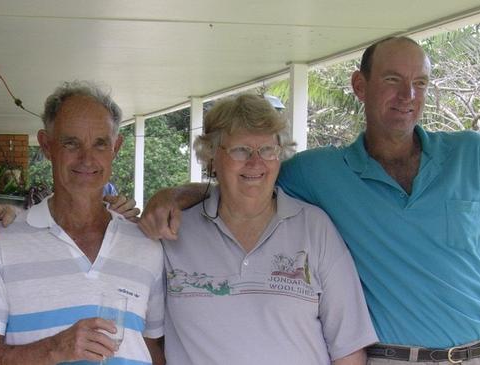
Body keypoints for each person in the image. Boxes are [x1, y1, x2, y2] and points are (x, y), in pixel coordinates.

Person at [140, 36, 480, 364]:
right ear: (359, 86)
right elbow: (248, 183)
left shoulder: (471, 152)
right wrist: (174, 196)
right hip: (393, 358)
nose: (408, 94)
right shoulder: (318, 173)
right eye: (393, 79)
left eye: (420, 82)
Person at [163, 94, 376, 364]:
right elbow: (148, 336)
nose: (255, 162)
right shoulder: (175, 232)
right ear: (212, 157)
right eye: (241, 150)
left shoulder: (314, 227)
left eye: (267, 149)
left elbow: (348, 347)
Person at [0, 81, 165, 365]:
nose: (87, 158)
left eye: (100, 143)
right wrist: (55, 349)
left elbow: (151, 346)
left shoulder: (146, 245)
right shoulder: (0, 240)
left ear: (116, 147)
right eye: (71, 143)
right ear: (47, 146)